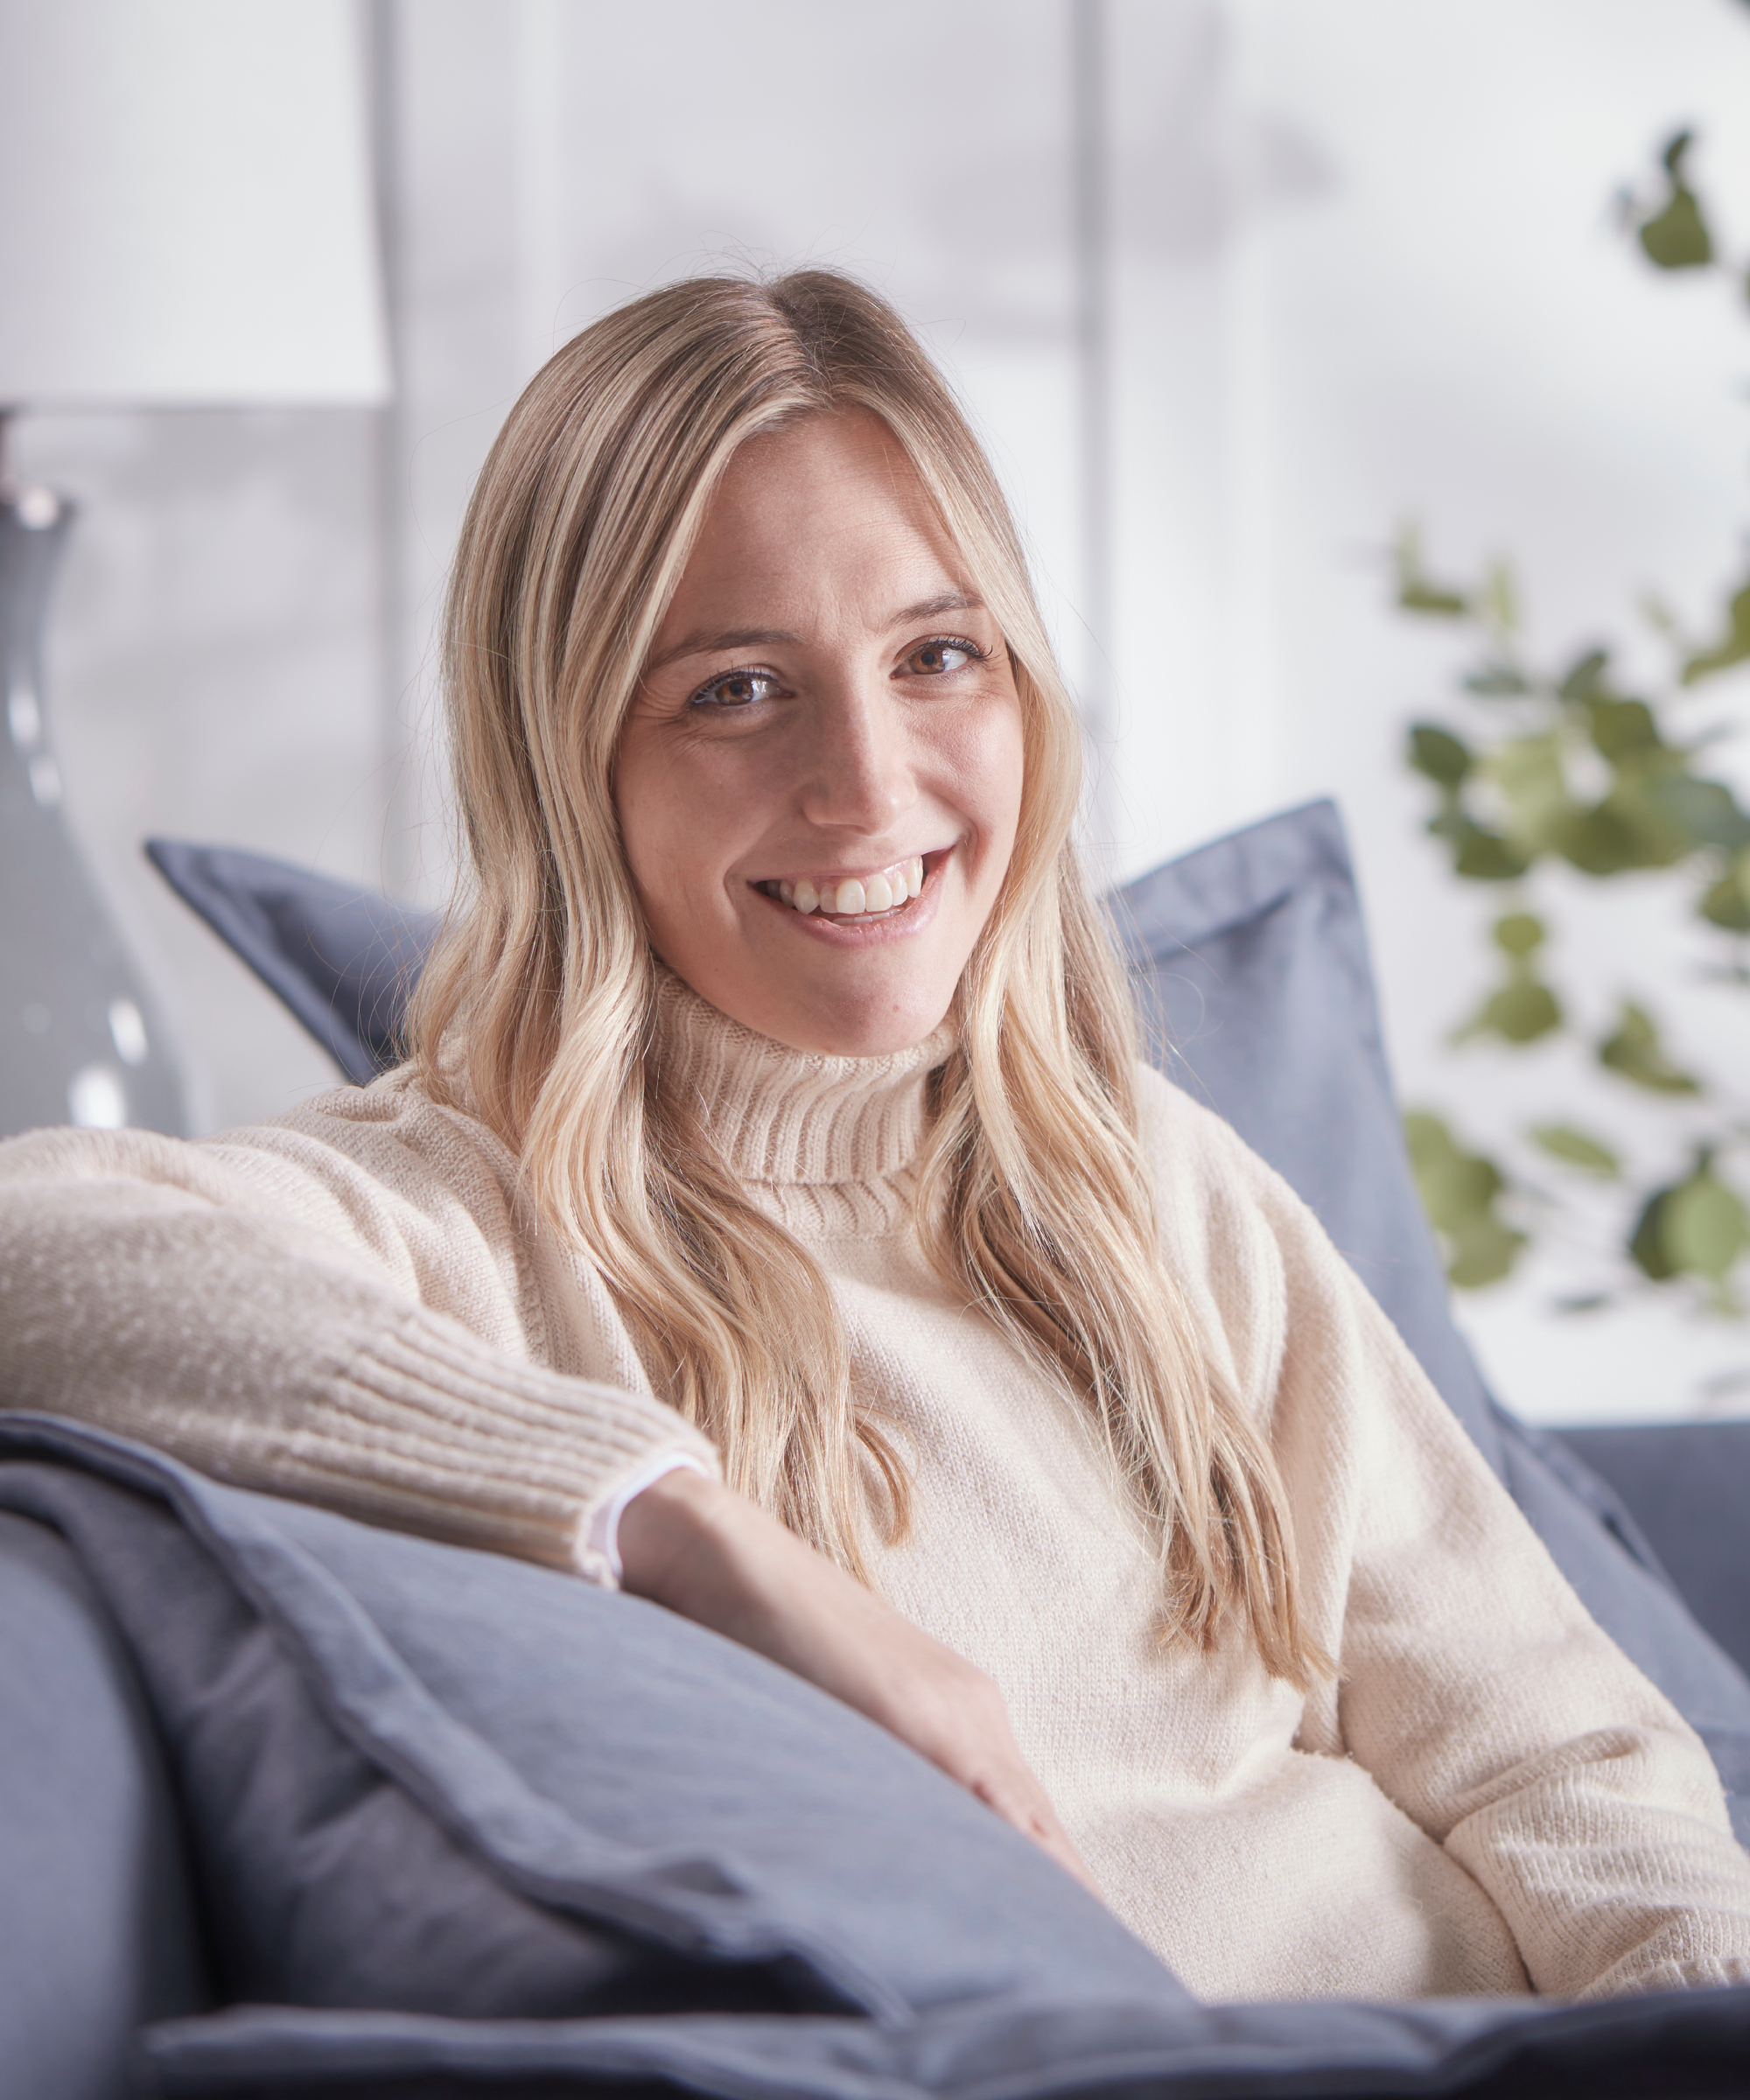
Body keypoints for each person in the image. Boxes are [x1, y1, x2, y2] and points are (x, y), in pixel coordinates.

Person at [4, 270, 1749, 2004]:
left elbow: (1558, 1754)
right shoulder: (459, 1221)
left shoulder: (1149, 1181)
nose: (868, 781)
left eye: (935, 657)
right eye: (735, 690)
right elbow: (37, 1250)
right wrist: (688, 1533)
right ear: (563, 762)